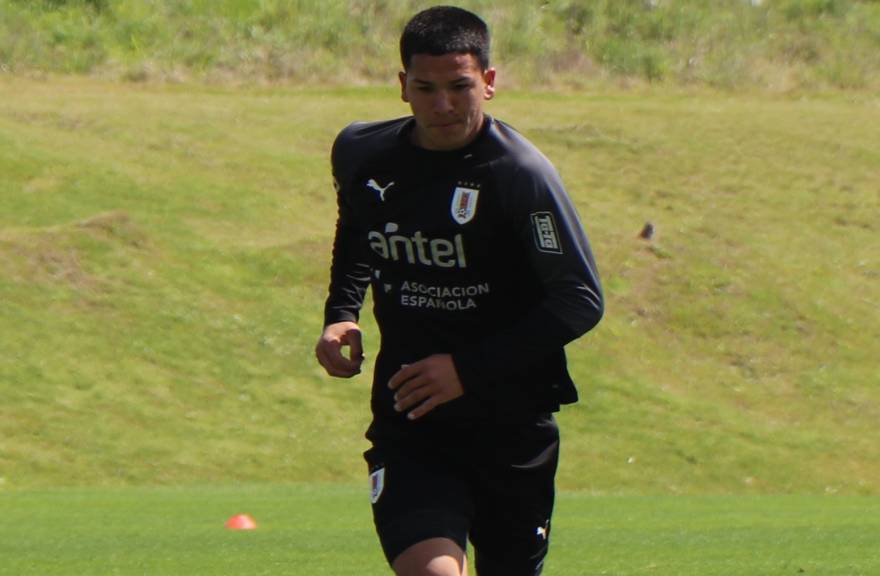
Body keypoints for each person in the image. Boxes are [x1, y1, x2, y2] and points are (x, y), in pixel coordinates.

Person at [315, 6, 603, 575]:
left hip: (511, 424)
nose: (443, 105)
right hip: (412, 421)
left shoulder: (520, 175)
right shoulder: (361, 153)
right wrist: (341, 312)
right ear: (403, 85)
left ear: (488, 82)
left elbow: (580, 300)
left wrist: (466, 369)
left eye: (460, 87)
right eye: (426, 88)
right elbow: (358, 230)